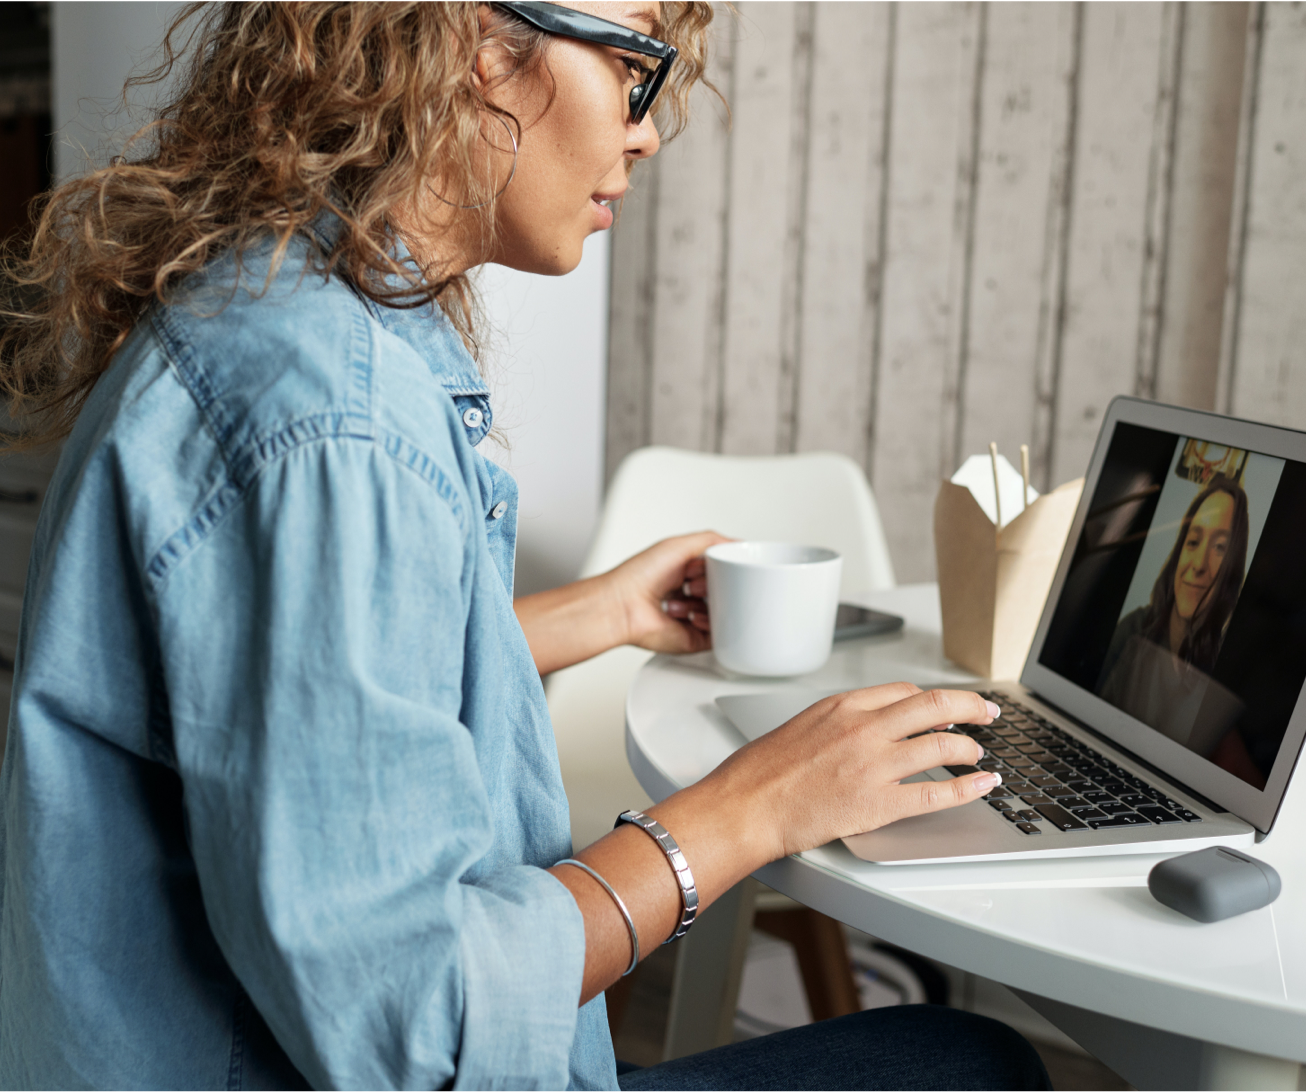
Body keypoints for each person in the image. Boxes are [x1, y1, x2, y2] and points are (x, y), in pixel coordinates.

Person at [0, 3, 1052, 1089]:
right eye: (636, 58)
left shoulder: (283, 315)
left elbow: (301, 712)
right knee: (973, 1068)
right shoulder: (334, 423)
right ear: (471, 41)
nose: (646, 130)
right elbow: (418, 1027)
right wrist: (753, 810)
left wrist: (597, 614)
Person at [1098, 475, 1250, 751]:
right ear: (1180, 549)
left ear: (1233, 567)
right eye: (1193, 542)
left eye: (1219, 547)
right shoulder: (1132, 633)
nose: (1199, 565)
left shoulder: (1225, 669)